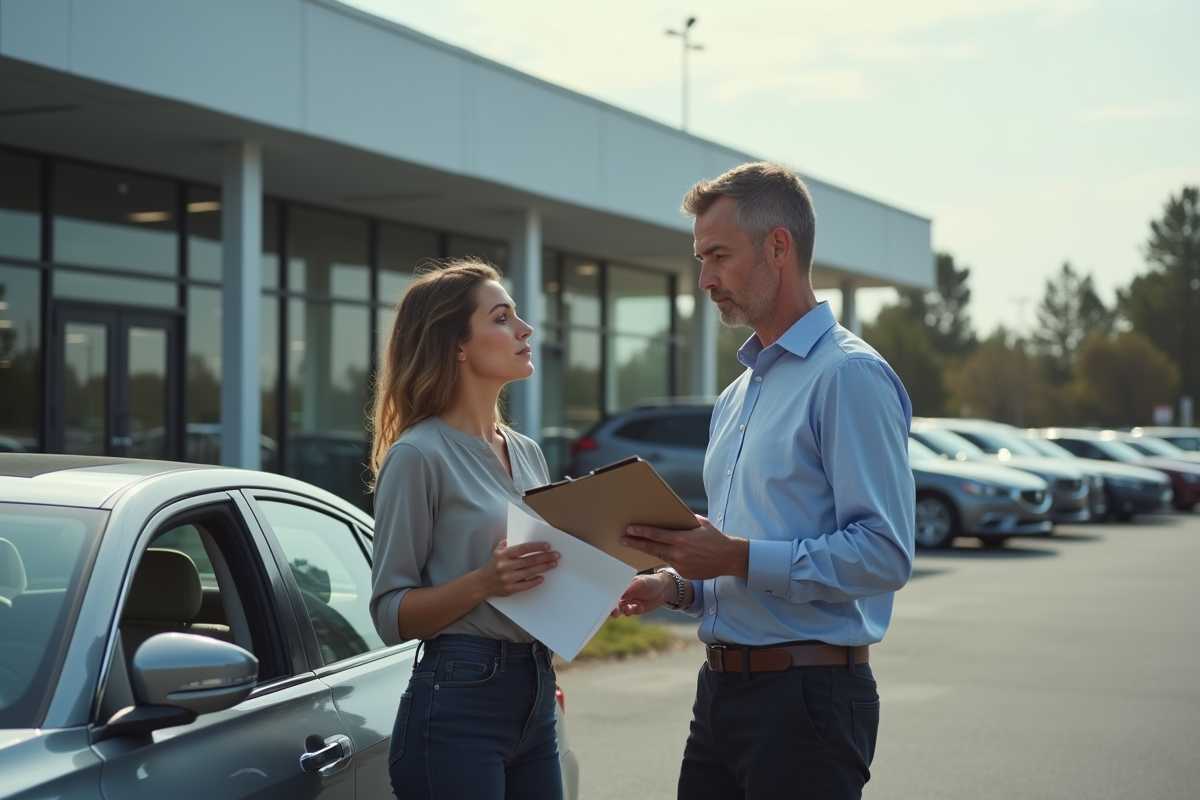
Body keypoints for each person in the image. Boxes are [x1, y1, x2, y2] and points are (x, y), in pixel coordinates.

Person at [616, 162, 916, 800]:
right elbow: (741, 557)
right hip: (720, 694)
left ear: (779, 247)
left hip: (807, 701)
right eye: (701, 259)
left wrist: (734, 556)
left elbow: (884, 554)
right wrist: (674, 585)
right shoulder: (736, 397)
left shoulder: (848, 376)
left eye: (719, 256)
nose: (705, 280)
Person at [368, 259, 563, 800]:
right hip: (458, 704)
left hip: (536, 692)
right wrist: (483, 582)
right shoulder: (417, 455)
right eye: (502, 318)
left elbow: (535, 580)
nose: (524, 329)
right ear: (456, 344)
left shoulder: (527, 452)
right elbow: (390, 614)